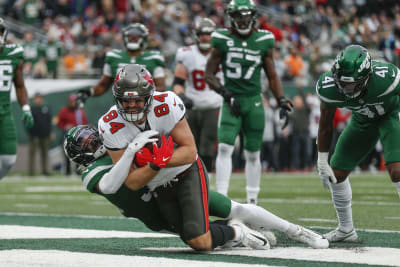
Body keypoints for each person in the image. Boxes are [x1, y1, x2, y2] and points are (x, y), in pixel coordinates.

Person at [63, 124, 329, 249]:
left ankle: (296, 230)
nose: (94, 142)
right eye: (86, 144)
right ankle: (238, 234)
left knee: (233, 206)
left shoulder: (115, 142)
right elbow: (112, 183)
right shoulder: (92, 172)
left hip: (174, 183)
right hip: (156, 211)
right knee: (200, 239)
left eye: (92, 137)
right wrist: (132, 151)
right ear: (79, 155)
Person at [98, 63, 272, 251]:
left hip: (186, 171)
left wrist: (161, 160)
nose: (131, 106)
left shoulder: (166, 103)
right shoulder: (109, 124)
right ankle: (237, 230)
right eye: (126, 101)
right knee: (195, 238)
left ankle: (277, 229)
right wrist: (156, 164)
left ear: (149, 97)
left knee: (201, 241)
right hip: (157, 183)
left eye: (138, 100)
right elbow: (131, 182)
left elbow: (189, 151)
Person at [204, 0, 293, 204]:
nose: (243, 21)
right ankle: (222, 198)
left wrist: (281, 100)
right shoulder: (221, 38)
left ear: (252, 16)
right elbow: (208, 74)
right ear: (231, 17)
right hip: (232, 100)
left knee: (253, 153)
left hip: (253, 101)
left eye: (246, 16)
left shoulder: (264, 39)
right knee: (225, 147)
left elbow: (271, 75)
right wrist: (226, 94)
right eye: (238, 16)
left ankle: (252, 201)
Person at [316, 44, 400, 242]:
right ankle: (346, 230)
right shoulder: (329, 87)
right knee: (335, 175)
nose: (346, 89)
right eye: (342, 84)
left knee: (397, 170)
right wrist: (322, 160)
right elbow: (325, 124)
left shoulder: (387, 78)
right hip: (362, 120)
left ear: (367, 77)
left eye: (352, 84)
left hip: (391, 115)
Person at [172, 18, 223, 175]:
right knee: (189, 143)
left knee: (208, 144)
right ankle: (191, 174)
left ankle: (205, 175)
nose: (205, 37)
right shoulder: (187, 53)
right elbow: (178, 81)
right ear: (196, 35)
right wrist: (181, 95)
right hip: (192, 105)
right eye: (201, 34)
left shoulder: (222, 52)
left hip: (214, 104)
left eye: (208, 34)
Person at [76, 23, 166, 106]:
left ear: (144, 38)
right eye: (130, 36)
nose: (133, 39)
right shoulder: (113, 57)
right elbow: (103, 85)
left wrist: (141, 94)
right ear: (124, 38)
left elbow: (161, 87)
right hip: (121, 107)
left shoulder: (153, 58)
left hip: (146, 108)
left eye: (136, 36)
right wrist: (89, 92)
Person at [0, 18, 34, 179]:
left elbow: (19, 85)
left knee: (8, 160)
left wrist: (26, 108)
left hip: (4, 113)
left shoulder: (13, 53)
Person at [57, 93, 88, 175]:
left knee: (80, 153)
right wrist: (65, 126)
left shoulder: (80, 111)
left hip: (79, 135)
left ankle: (78, 170)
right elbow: (59, 123)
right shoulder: (64, 110)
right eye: (72, 101)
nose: (73, 103)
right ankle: (67, 171)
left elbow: (85, 122)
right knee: (67, 153)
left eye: (75, 101)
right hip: (68, 135)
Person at [28, 92, 52, 176]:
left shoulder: (46, 108)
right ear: (34, 99)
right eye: (37, 98)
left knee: (45, 154)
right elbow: (27, 122)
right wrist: (30, 133)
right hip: (34, 135)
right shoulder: (31, 109)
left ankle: (45, 170)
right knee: (32, 154)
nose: (39, 99)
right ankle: (31, 171)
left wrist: (50, 132)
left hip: (45, 135)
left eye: (40, 98)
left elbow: (49, 121)